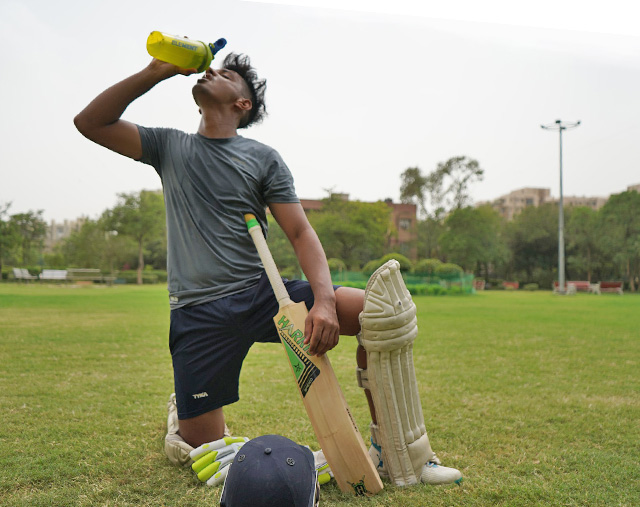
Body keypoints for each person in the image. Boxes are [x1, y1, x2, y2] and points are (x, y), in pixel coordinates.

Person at [74, 51, 461, 488]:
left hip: (261, 293)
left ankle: (401, 453)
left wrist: (327, 303)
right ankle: (183, 418)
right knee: (199, 444)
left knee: (380, 313)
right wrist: (155, 72)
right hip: (198, 312)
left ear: (243, 104)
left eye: (228, 74)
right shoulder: (169, 146)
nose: (212, 70)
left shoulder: (262, 158)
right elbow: (91, 123)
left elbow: (299, 232)